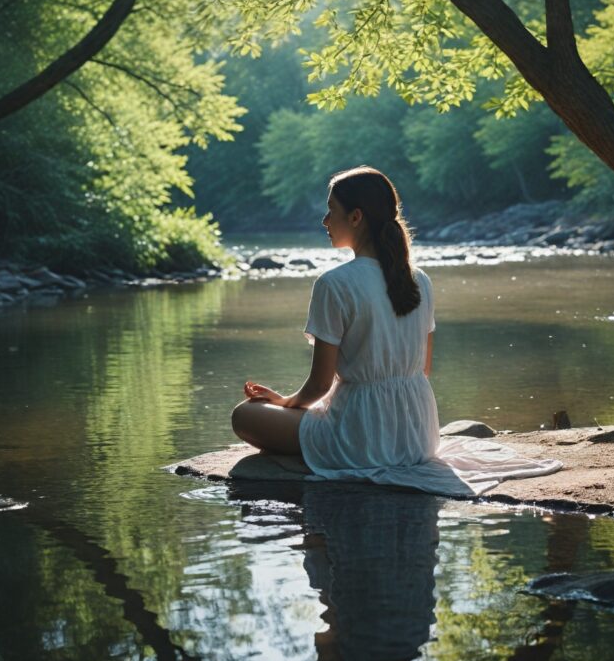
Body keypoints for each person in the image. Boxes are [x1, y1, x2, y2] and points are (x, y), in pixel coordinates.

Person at [231, 166, 561, 497]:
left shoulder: (333, 284)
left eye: (331, 211)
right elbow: (424, 369)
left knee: (245, 415)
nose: (324, 221)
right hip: (418, 435)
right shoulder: (421, 280)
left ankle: (322, 442)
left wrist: (285, 402)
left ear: (356, 217)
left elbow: (319, 384)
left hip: (360, 435)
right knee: (295, 412)